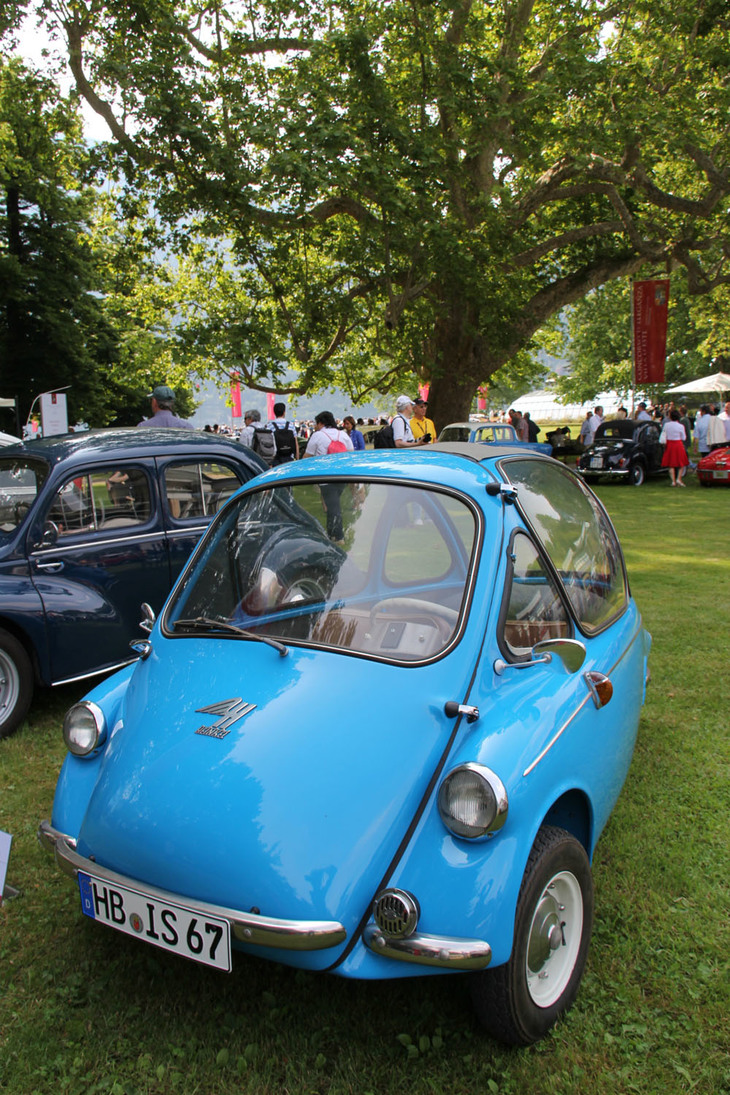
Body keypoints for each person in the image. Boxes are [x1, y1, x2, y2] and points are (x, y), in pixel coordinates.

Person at [304, 411, 354, 542]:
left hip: (326, 476)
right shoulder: (342, 434)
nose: (315, 426)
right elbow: (351, 453)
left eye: (316, 423)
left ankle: (338, 537)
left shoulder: (318, 435)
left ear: (321, 423)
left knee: (333, 507)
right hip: (342, 475)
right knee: (333, 505)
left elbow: (307, 457)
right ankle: (332, 534)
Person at [661, 409, 689, 485]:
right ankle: (679, 478)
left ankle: (673, 481)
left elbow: (664, 434)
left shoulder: (667, 425)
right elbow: (684, 437)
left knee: (671, 464)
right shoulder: (680, 426)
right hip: (678, 444)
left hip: (670, 444)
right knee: (681, 463)